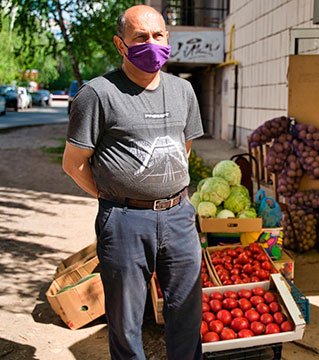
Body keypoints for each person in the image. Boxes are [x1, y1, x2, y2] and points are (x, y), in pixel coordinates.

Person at [63, 5, 203, 360]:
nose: (151, 43)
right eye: (140, 37)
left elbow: (183, 149)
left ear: (168, 39)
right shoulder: (97, 94)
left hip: (179, 216)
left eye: (158, 36)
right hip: (124, 221)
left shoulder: (183, 91)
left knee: (186, 312)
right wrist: (114, 198)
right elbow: (73, 164)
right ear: (120, 44)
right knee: (126, 320)